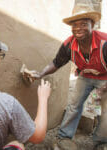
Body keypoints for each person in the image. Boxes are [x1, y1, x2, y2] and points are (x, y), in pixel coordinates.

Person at [28, 4, 107, 150]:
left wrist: (102, 91)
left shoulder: (104, 43)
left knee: (103, 109)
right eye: (75, 25)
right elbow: (56, 63)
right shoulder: (69, 45)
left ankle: (100, 140)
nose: (78, 28)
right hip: (84, 76)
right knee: (74, 105)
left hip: (105, 79)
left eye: (84, 24)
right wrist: (41, 73)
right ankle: (64, 137)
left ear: (93, 25)